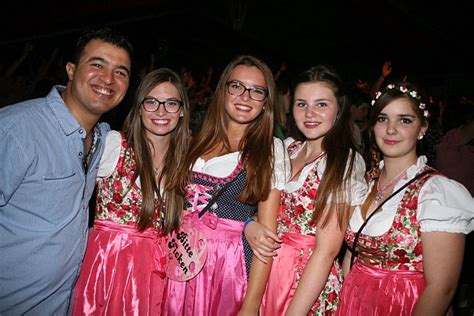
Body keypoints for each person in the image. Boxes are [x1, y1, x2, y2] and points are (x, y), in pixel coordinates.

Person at [0, 27, 132, 314]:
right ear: (71, 70)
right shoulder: (15, 130)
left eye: (120, 72)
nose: (108, 79)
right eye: (97, 65)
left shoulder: (103, 140)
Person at [163, 55, 289, 315]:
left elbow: (266, 238)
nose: (245, 96)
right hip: (180, 258)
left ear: (266, 102)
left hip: (227, 267)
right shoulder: (194, 140)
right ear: (222, 91)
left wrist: (251, 306)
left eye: (257, 91)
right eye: (237, 86)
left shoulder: (269, 150)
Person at [337, 82, 474, 315]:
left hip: (404, 305)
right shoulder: (365, 184)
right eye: (382, 119)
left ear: (422, 128)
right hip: (354, 302)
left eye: (405, 120)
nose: (391, 129)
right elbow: (353, 253)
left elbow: (442, 288)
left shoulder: (436, 192)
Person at [72, 68, 190, 314]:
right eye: (152, 102)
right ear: (139, 107)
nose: (160, 111)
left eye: (170, 103)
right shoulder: (116, 145)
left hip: (157, 274)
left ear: (181, 111)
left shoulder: (185, 163)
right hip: (109, 269)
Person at [255, 65, 367, 315]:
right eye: (301, 103)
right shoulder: (287, 149)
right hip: (267, 271)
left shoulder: (343, 162)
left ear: (339, 109)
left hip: (306, 282)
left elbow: (326, 251)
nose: (310, 113)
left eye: (321, 104)